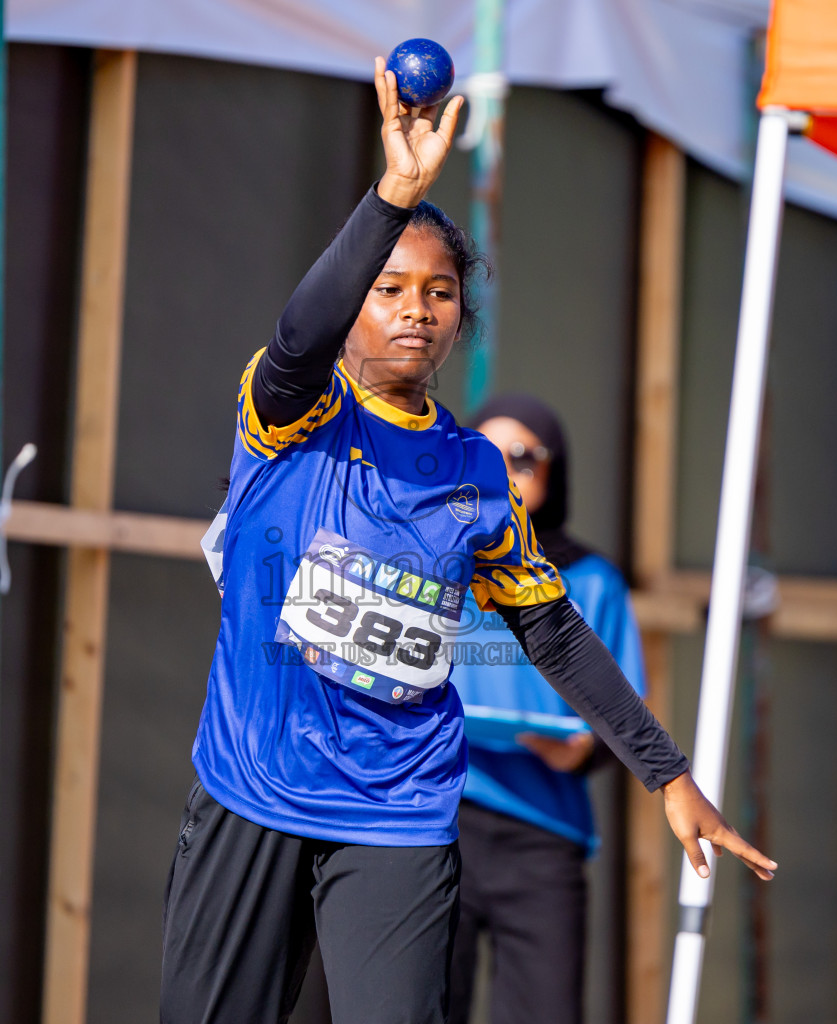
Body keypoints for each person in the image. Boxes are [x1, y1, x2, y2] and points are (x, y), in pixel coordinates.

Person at [159, 58, 775, 1024]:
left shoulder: (479, 474)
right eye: (389, 287)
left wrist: (667, 771)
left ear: (460, 317)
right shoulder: (291, 416)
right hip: (255, 784)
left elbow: (553, 632)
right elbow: (293, 338)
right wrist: (395, 194)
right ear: (357, 302)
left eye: (438, 292)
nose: (414, 308)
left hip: (397, 812)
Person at [446, 395, 643, 1024]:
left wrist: (584, 751)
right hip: (432, 818)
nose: (505, 471)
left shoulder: (591, 582)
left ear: (554, 472)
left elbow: (621, 715)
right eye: (485, 454)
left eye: (524, 457)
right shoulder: (430, 557)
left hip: (542, 838)